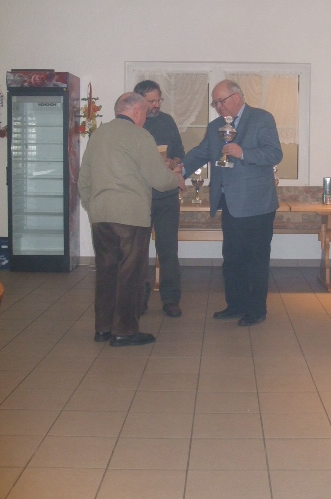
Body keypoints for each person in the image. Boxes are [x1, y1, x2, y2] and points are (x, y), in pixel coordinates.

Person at [78, 92, 184, 347]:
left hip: (101, 216)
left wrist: (94, 207)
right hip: (130, 217)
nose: (145, 118)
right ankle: (124, 331)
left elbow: (83, 180)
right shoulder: (140, 136)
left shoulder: (99, 135)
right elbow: (158, 179)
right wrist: (177, 180)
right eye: (144, 113)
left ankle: (103, 328)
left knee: (106, 273)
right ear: (136, 112)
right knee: (130, 275)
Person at [182, 80, 283, 326]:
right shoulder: (215, 126)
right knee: (232, 257)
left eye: (221, 101)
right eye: (215, 103)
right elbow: (201, 153)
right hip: (229, 202)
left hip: (258, 204)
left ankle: (257, 309)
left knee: (256, 259)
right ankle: (235, 305)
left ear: (237, 97)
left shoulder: (261, 119)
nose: (218, 107)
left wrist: (243, 153)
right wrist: (179, 171)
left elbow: (274, 153)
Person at [133, 79, 185, 317]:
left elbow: (180, 154)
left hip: (167, 196)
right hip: (141, 196)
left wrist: (172, 162)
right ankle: (139, 299)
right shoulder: (133, 125)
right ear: (139, 101)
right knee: (138, 252)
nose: (156, 105)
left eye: (158, 100)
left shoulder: (167, 121)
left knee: (168, 250)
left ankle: (171, 300)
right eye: (151, 101)